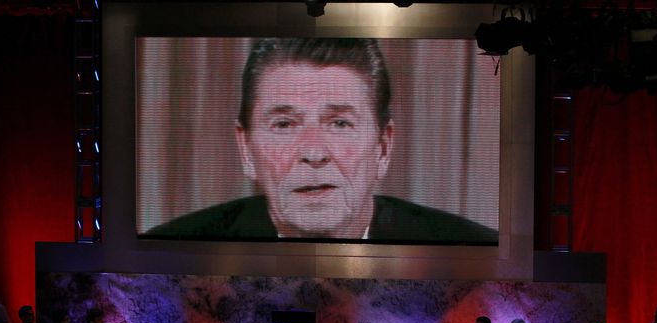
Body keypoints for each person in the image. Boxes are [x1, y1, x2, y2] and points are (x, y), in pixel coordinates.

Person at [146, 38, 497, 243]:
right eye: (284, 124)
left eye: (340, 123)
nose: (313, 153)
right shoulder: (174, 245)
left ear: (383, 148)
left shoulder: (468, 246)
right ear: (246, 150)